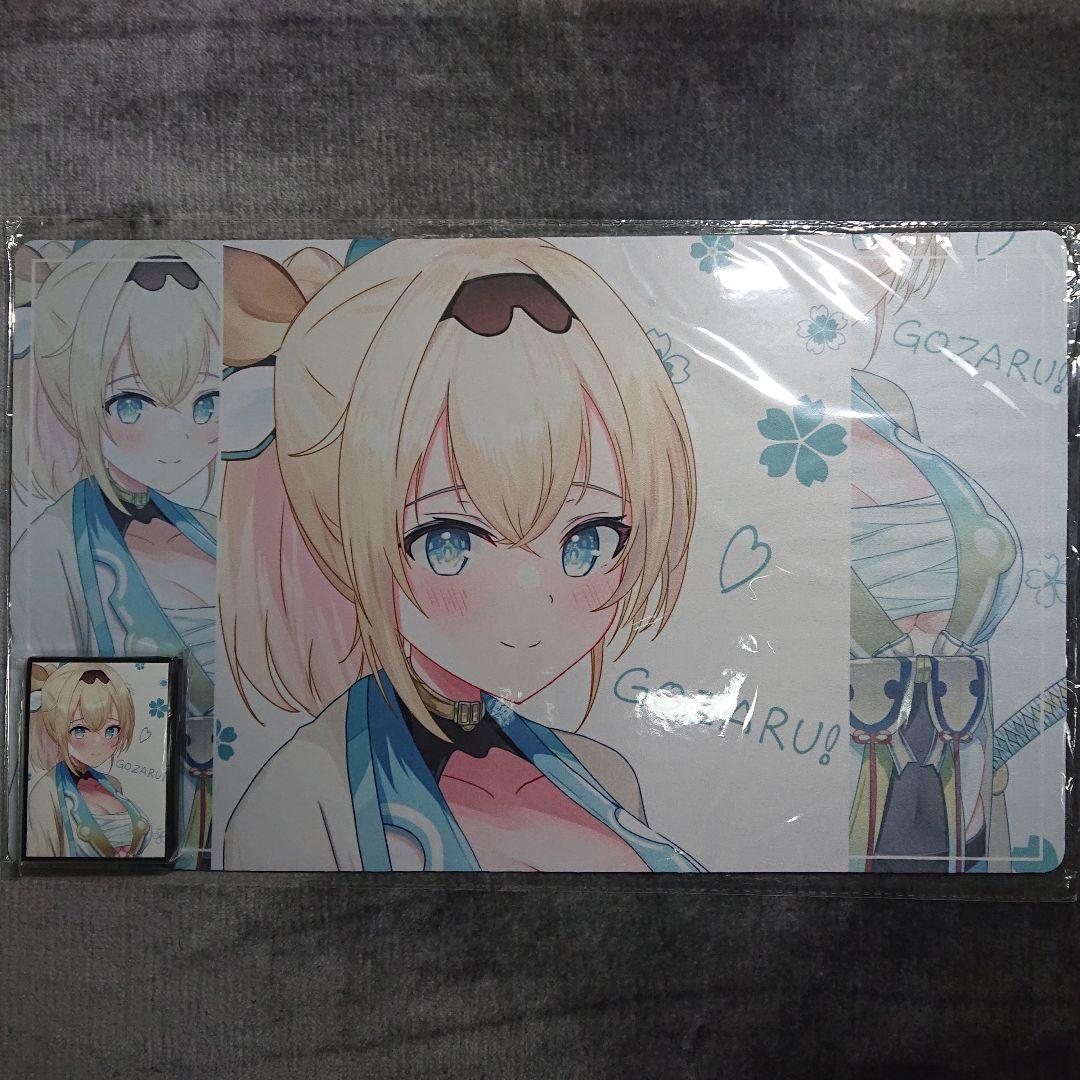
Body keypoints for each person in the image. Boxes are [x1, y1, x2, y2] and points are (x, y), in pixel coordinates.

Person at [219, 238, 704, 871]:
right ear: (344, 529)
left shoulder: (606, 777)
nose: (530, 599)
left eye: (588, 541)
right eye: (450, 542)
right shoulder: (306, 801)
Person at [10, 240, 220, 867]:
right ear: (80, 398)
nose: (176, 440)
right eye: (132, 403)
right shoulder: (51, 550)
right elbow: (47, 730)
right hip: (124, 837)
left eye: (206, 404)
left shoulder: (217, 529)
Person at [847, 235, 1020, 872]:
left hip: (958, 732)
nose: (880, 266)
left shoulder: (884, 401)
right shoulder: (771, 429)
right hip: (852, 758)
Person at [25, 662, 150, 858]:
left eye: (111, 730)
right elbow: (40, 860)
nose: (99, 743)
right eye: (80, 730)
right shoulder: (46, 793)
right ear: (55, 729)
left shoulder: (113, 784)